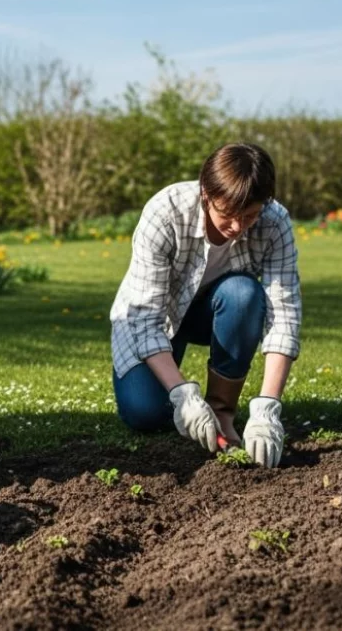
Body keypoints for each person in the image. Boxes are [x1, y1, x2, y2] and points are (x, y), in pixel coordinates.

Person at [109, 142, 301, 468]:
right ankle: (186, 403)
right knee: (145, 414)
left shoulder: (275, 222)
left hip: (217, 311)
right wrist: (182, 394)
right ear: (206, 194)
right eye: (229, 214)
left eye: (250, 215)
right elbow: (144, 317)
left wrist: (268, 406)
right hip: (157, 318)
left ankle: (222, 412)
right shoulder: (165, 212)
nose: (239, 227)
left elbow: (284, 313)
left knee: (244, 294)